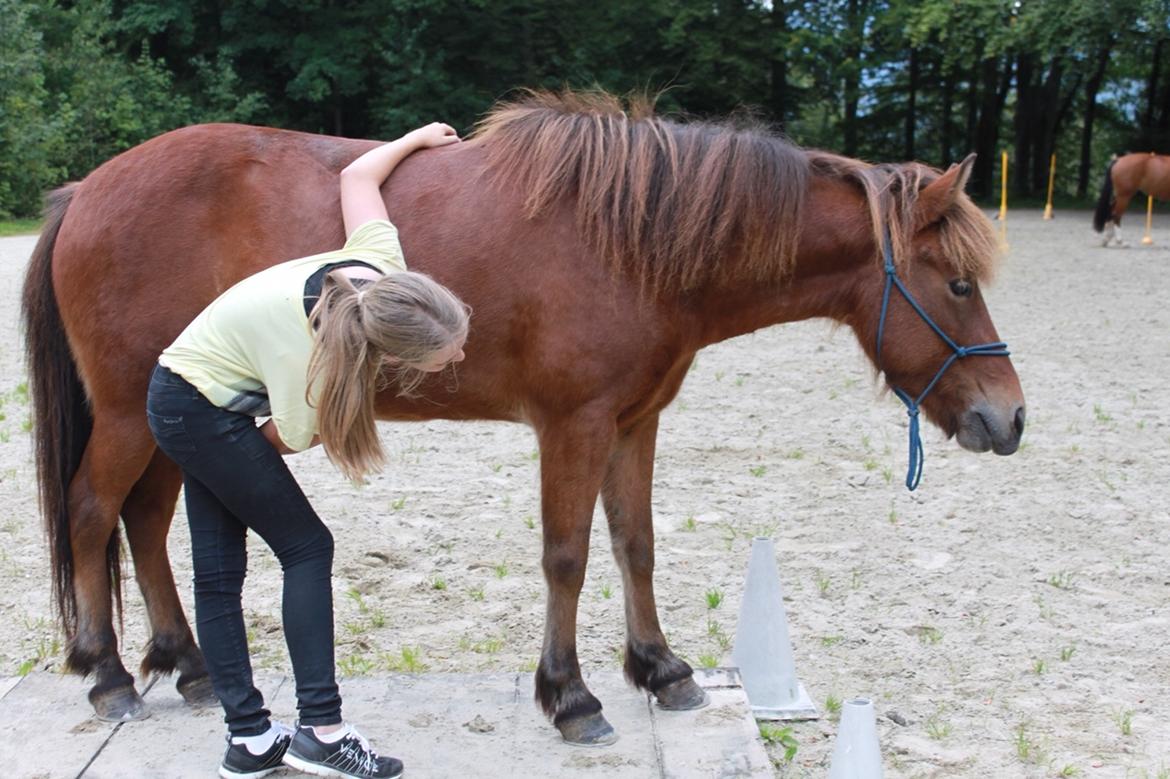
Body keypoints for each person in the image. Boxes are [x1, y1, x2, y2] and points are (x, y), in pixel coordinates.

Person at [146, 122, 467, 779]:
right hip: (193, 409)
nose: (460, 354)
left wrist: (418, 138)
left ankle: (251, 741)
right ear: (395, 352)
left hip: (194, 392)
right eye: (446, 355)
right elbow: (281, 438)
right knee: (306, 546)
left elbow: (358, 178)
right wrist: (223, 460)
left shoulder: (381, 273)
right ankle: (320, 729)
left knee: (218, 571)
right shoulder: (315, 360)